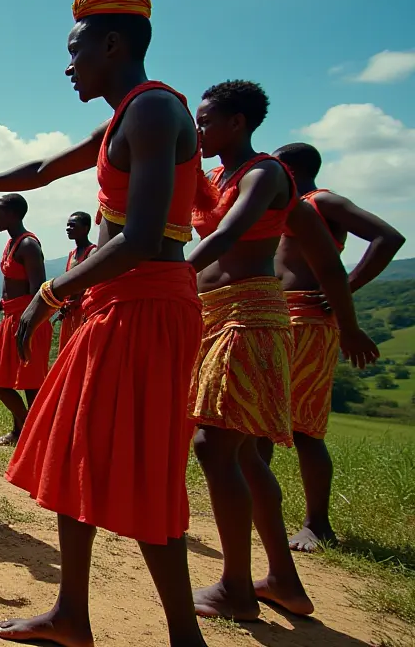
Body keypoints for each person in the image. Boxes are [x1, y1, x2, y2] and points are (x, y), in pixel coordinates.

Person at [0, 0, 208, 646]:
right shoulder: (125, 117)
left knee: (144, 468)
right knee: (73, 451)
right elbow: (42, 169)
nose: (68, 64)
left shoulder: (151, 112)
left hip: (144, 307)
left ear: (111, 43)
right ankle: (72, 614)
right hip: (118, 304)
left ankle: (185, 638)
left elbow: (142, 237)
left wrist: (48, 297)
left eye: (75, 48)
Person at [187, 80, 377, 622]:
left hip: (251, 317)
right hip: (213, 316)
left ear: (238, 123)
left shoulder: (266, 175)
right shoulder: (217, 176)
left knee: (213, 445)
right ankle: (284, 582)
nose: (199, 130)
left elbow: (231, 234)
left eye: (206, 121)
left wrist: (348, 323)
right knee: (243, 454)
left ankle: (236, 589)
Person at [268, 142, 405, 552]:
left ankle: (317, 524)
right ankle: (260, 512)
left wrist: (347, 288)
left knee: (304, 426)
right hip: (277, 316)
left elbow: (388, 237)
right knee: (256, 422)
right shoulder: (288, 208)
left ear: (289, 170)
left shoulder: (321, 201)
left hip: (307, 320)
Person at [0, 193, 50, 446]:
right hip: (11, 317)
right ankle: (24, 430)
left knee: (31, 382)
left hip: (28, 320)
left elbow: (37, 289)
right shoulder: (11, 244)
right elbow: (10, 289)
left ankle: (29, 432)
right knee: (0, 380)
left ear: (14, 214)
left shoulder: (29, 245)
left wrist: (28, 324)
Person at [55, 211, 98, 350]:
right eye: (67, 225)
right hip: (69, 312)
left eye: (73, 225)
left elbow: (90, 284)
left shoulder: (92, 252)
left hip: (82, 312)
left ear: (86, 228)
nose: (68, 228)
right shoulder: (72, 254)